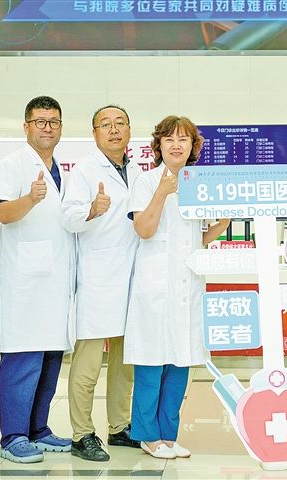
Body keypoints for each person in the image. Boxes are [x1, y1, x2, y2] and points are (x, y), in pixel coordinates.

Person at [124, 115, 230, 459]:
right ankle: (147, 435)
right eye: (169, 139)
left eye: (183, 139)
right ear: (158, 145)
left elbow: (200, 237)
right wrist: (161, 193)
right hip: (154, 287)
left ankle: (169, 436)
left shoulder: (197, 182)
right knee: (151, 361)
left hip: (187, 284)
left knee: (180, 361)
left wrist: (225, 221)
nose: (176, 145)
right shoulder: (145, 181)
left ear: (192, 146)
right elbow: (143, 230)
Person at [0, 96, 76, 463]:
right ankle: (12, 436)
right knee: (23, 358)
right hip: (25, 282)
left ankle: (38, 430)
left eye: (53, 121)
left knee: (50, 358)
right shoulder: (12, 165)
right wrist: (29, 198)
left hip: (55, 280)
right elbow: (4, 213)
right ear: (26, 126)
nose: (47, 127)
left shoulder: (62, 170)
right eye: (40, 121)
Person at [61, 105, 142, 461]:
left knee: (126, 362)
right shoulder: (84, 171)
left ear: (129, 130)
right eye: (105, 125)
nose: (114, 130)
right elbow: (68, 218)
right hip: (98, 279)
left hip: (132, 278)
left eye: (120, 123)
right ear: (94, 133)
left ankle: (119, 427)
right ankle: (81, 434)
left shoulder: (138, 171)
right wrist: (92, 209)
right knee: (89, 364)